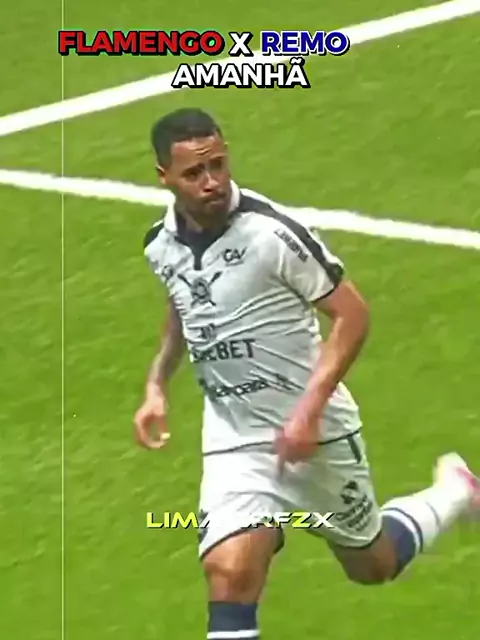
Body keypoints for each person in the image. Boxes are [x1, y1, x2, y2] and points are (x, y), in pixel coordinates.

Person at [135, 107, 479, 640]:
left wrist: (308, 413)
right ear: (164, 176)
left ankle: (455, 492)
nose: (211, 182)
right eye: (194, 173)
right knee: (230, 575)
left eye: (218, 165)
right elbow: (184, 305)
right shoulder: (161, 243)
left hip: (316, 434)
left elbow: (353, 315)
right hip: (235, 436)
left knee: (373, 564)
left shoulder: (272, 234)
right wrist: (157, 384)